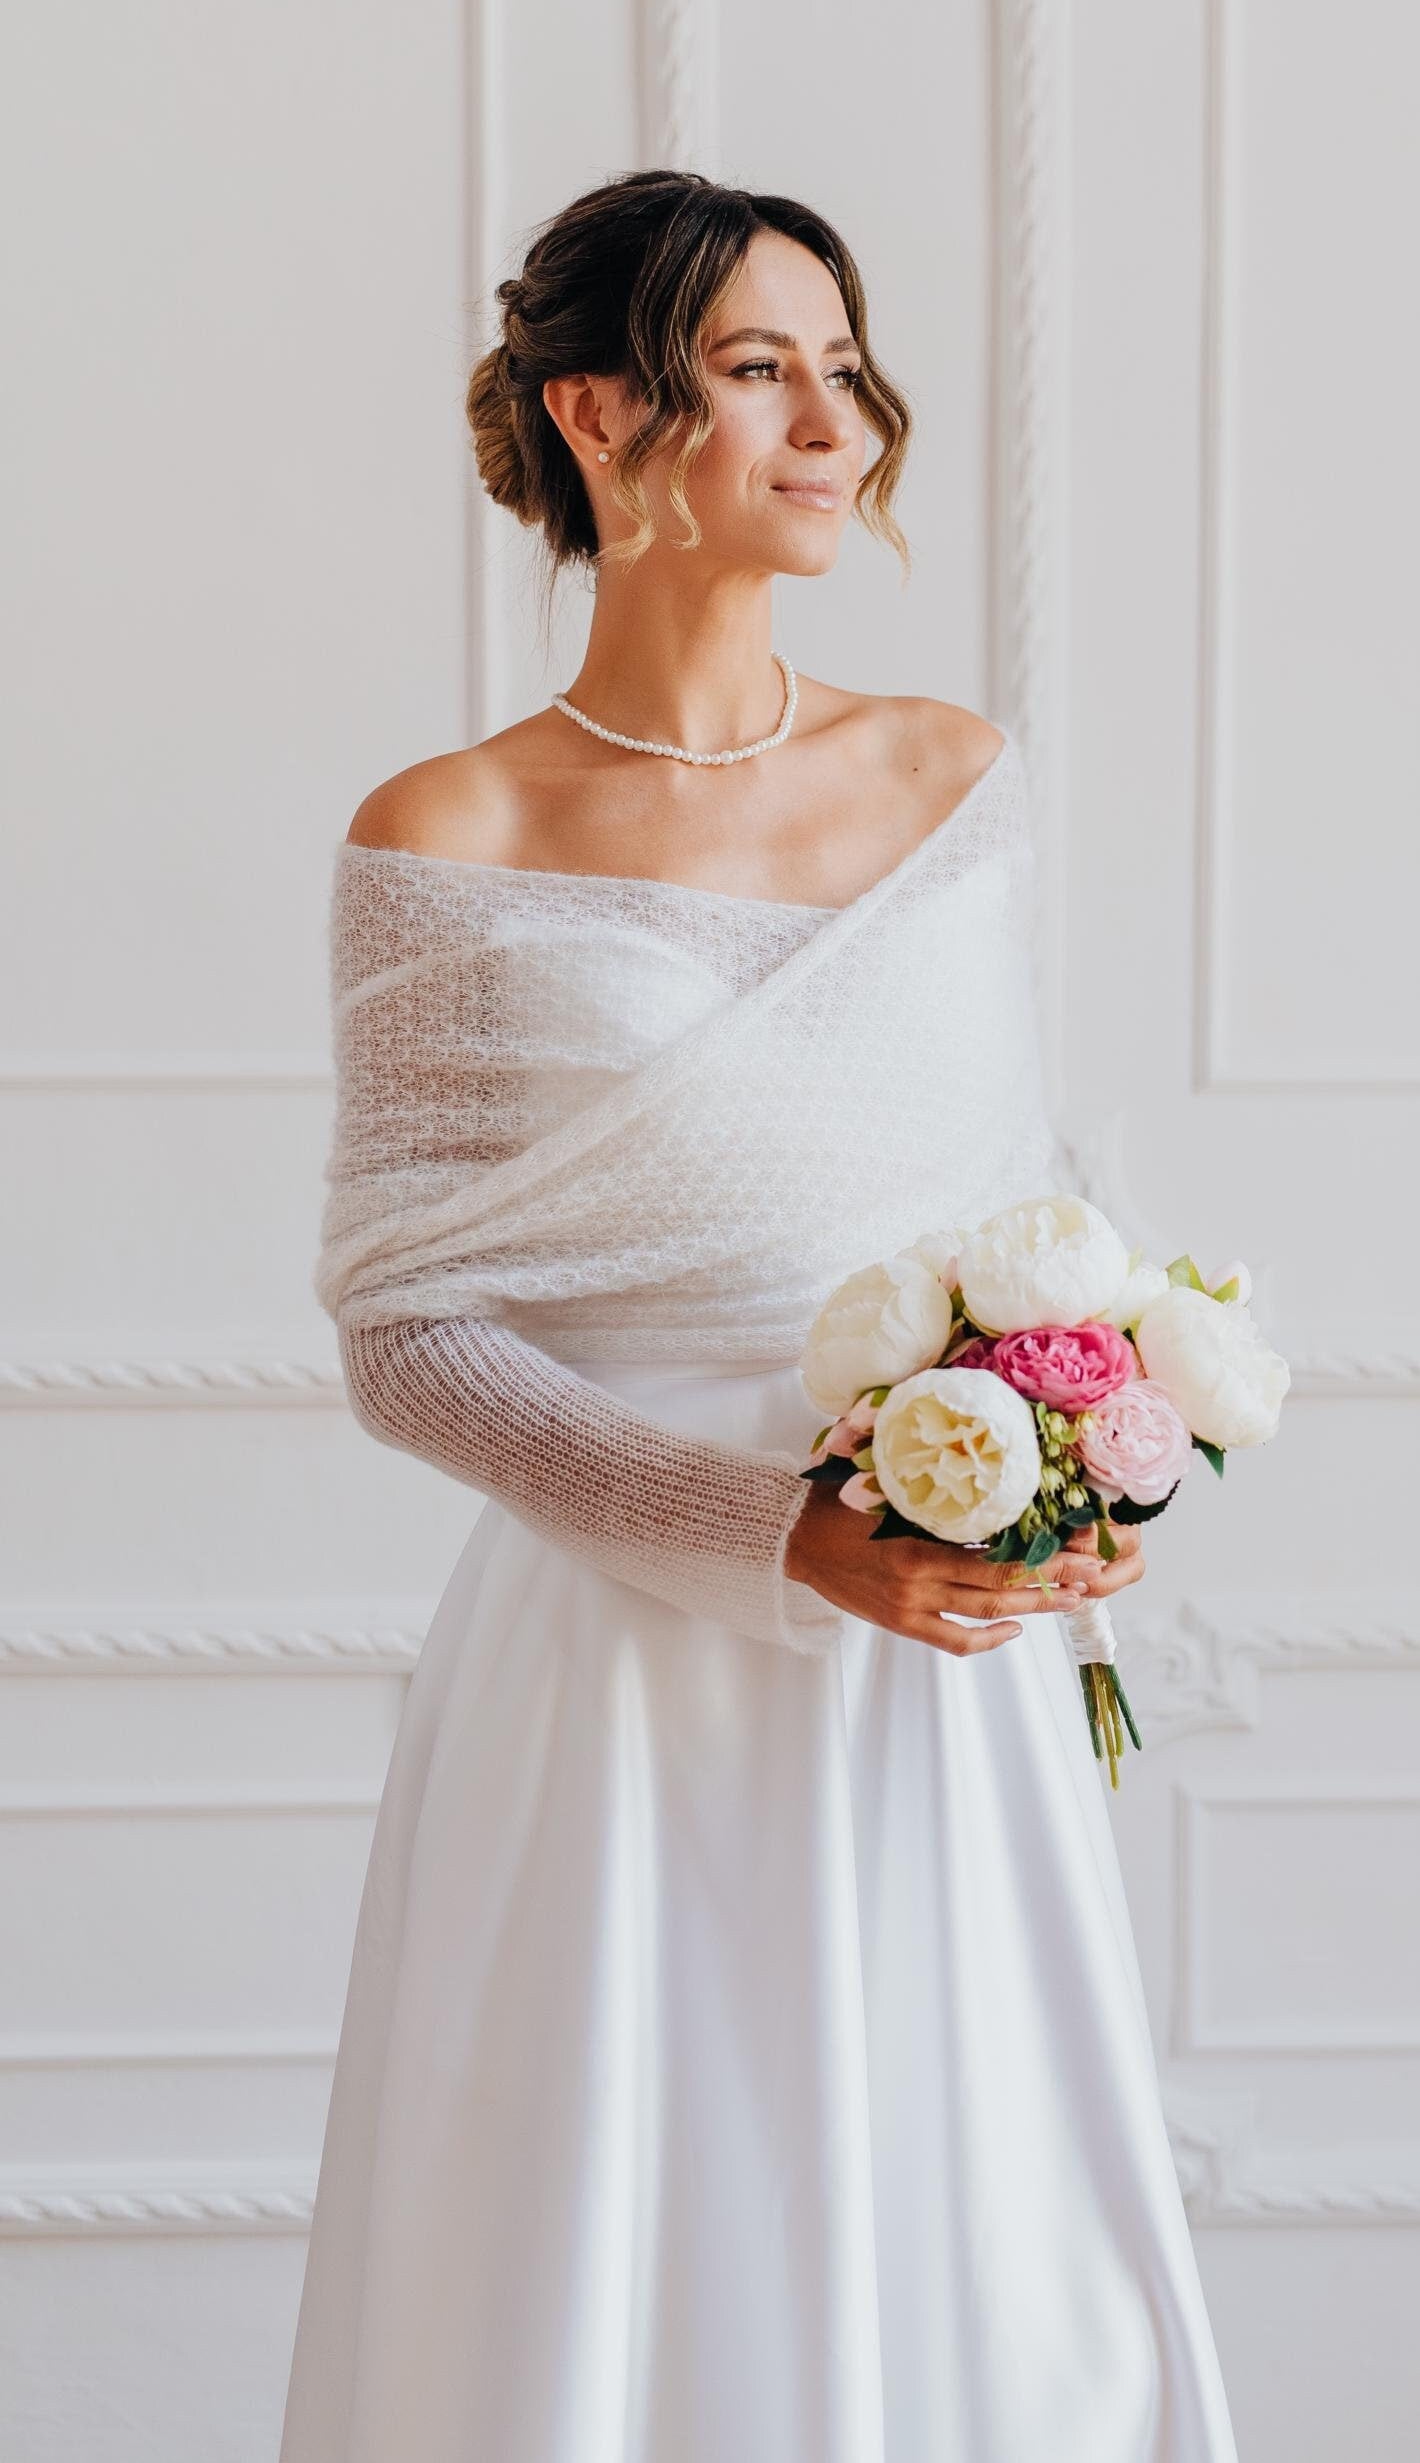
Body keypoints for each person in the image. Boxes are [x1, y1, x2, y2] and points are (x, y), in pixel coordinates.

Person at [278, 169, 1240, 2461]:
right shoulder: (451, 831)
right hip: (622, 1668)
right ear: (595, 412)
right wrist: (767, 1533)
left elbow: (1017, 1213)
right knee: (615, 2244)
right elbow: (408, 1333)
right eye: (756, 369)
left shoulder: (950, 779)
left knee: (979, 2243)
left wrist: (1075, 1461)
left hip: (939, 1654)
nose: (839, 421)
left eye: (842, 363)